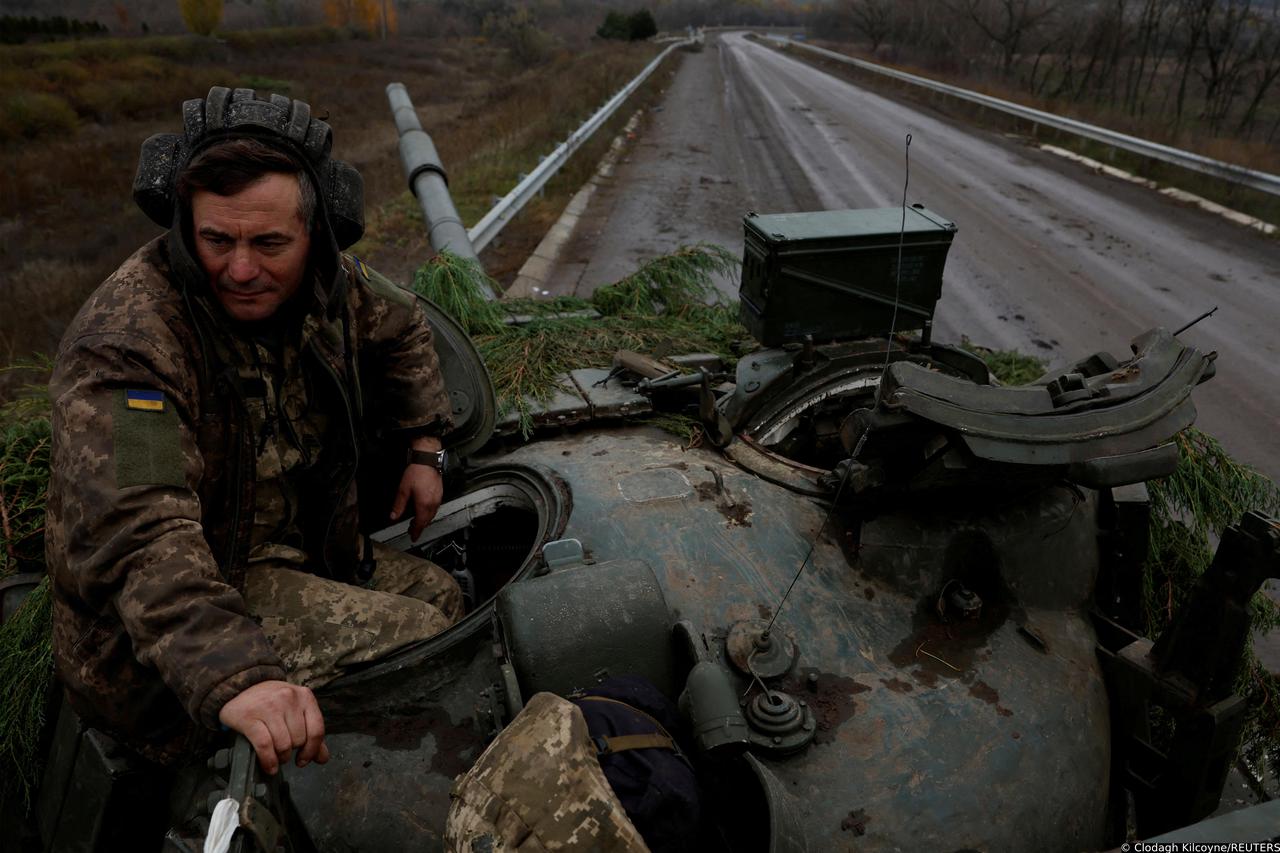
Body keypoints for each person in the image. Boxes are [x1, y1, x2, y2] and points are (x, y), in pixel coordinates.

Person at [44, 87, 462, 777]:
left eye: (269, 243)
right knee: (424, 638)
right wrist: (237, 675)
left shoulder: (329, 283)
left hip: (291, 548)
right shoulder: (129, 346)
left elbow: (403, 324)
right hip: (166, 627)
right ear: (185, 229)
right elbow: (140, 533)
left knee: (444, 597)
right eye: (216, 240)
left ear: (314, 235)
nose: (240, 270)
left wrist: (424, 443)